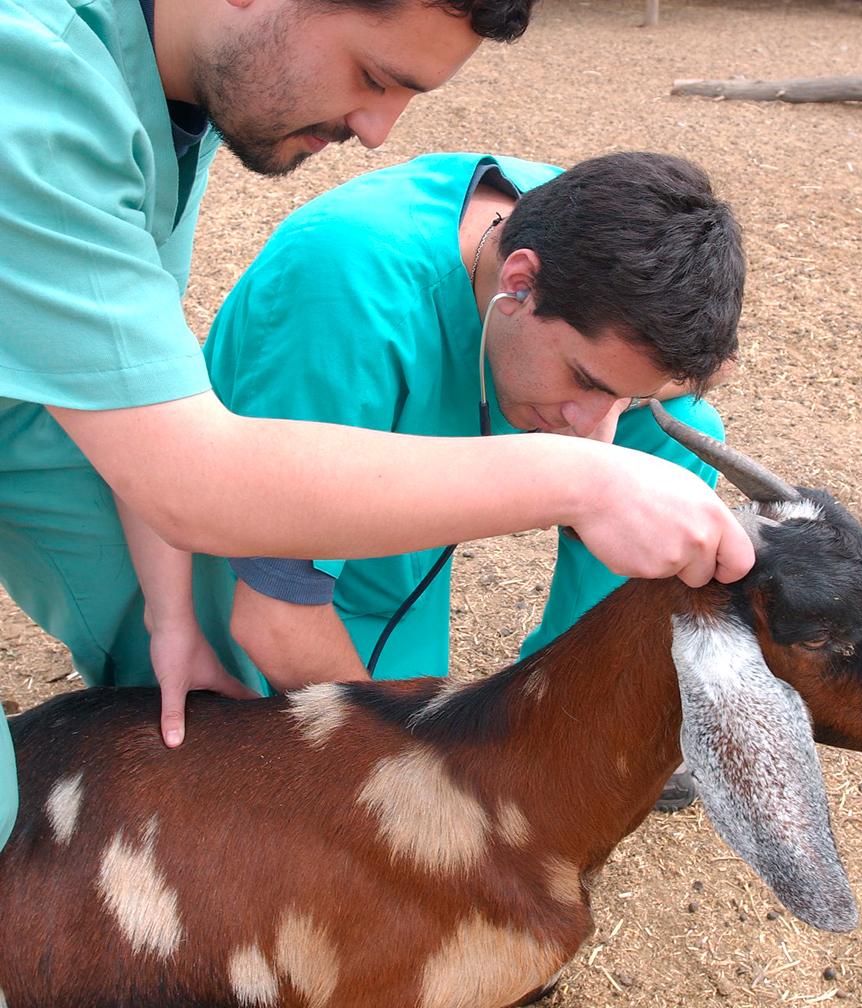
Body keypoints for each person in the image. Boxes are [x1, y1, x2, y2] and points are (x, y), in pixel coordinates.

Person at [0, 0, 753, 854]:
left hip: (76, 395)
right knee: (250, 720)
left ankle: (560, 713)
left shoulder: (193, 94)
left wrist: (170, 617)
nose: (378, 132)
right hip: (222, 478)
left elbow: (126, 361)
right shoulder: (35, 83)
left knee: (667, 450)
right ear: (518, 278)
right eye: (372, 75)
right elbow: (202, 499)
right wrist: (584, 479)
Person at [185, 149, 744, 811]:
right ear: (520, 281)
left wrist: (615, 406)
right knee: (245, 755)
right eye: (585, 382)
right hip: (254, 528)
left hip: (416, 485)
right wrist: (421, 776)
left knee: (684, 429)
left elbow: (708, 371)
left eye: (617, 397)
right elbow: (273, 616)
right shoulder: (348, 292)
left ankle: (567, 715)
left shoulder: (594, 233)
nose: (592, 430)